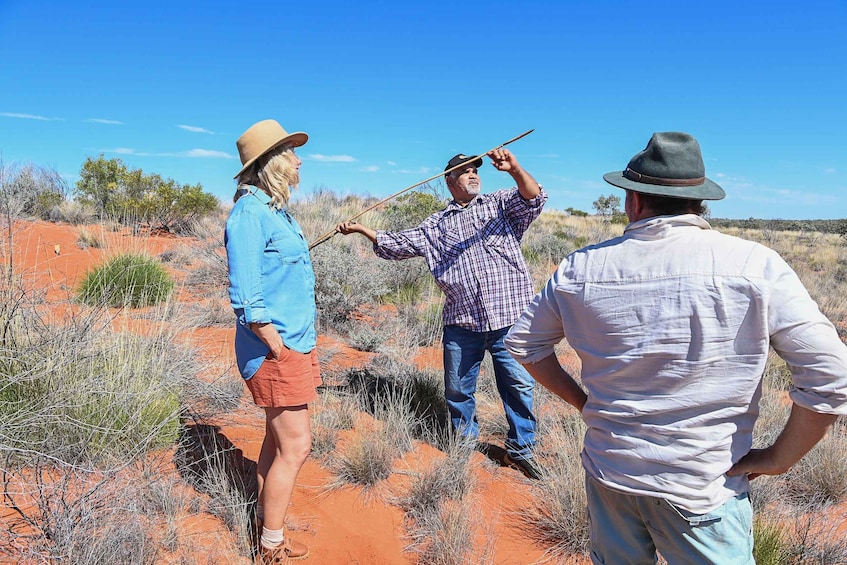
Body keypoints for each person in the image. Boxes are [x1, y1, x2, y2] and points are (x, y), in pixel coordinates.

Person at [504, 131, 847, 564]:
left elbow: (525, 344)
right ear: (701, 202)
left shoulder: (580, 267)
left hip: (611, 472)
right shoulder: (755, 264)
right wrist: (780, 458)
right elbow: (831, 376)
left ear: (633, 200)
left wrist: (583, 403)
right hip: (703, 485)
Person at [336, 148, 547, 479]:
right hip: (463, 322)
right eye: (465, 171)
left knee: (518, 385)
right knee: (457, 388)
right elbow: (397, 244)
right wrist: (362, 230)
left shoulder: (500, 205)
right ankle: (464, 444)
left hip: (510, 318)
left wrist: (515, 169)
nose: (474, 174)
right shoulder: (435, 225)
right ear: (449, 181)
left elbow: (533, 199)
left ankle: (522, 449)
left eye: (476, 169)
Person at [226, 119, 320, 564]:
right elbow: (246, 298)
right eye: (292, 151)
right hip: (276, 350)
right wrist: (276, 345)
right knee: (297, 445)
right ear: (273, 162)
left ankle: (265, 526)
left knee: (275, 442)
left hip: (294, 343)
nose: (299, 159)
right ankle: (271, 547)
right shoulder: (249, 214)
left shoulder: (274, 210)